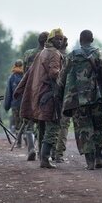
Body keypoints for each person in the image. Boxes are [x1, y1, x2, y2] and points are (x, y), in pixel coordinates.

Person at [58, 30, 102, 170]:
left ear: (80, 40)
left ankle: (89, 162)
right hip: (96, 98)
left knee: (83, 128)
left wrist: (60, 96)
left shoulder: (71, 56)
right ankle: (98, 157)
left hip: (77, 100)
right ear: (92, 39)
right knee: (98, 126)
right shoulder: (100, 54)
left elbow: (61, 79)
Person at [15, 28, 65, 169]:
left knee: (42, 125)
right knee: (53, 126)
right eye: (57, 39)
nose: (60, 41)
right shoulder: (54, 53)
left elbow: (28, 73)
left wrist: (19, 89)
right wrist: (65, 78)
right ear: (50, 40)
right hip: (50, 95)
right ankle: (45, 158)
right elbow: (54, 73)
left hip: (39, 95)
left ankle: (44, 158)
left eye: (61, 39)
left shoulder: (42, 52)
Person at [20, 31, 49, 161]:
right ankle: (43, 153)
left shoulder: (28, 54)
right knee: (43, 122)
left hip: (30, 91)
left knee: (29, 122)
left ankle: (31, 148)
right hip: (44, 91)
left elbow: (24, 74)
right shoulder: (49, 54)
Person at [52, 35, 71, 163]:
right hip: (67, 96)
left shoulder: (52, 56)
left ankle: (49, 151)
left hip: (52, 95)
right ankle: (58, 154)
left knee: (52, 124)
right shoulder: (70, 58)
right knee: (64, 125)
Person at [4, 59, 24, 148]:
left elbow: (8, 93)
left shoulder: (12, 77)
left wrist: (7, 106)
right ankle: (29, 142)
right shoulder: (26, 76)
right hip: (25, 104)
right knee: (26, 122)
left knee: (17, 123)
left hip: (15, 104)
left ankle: (19, 143)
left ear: (15, 65)